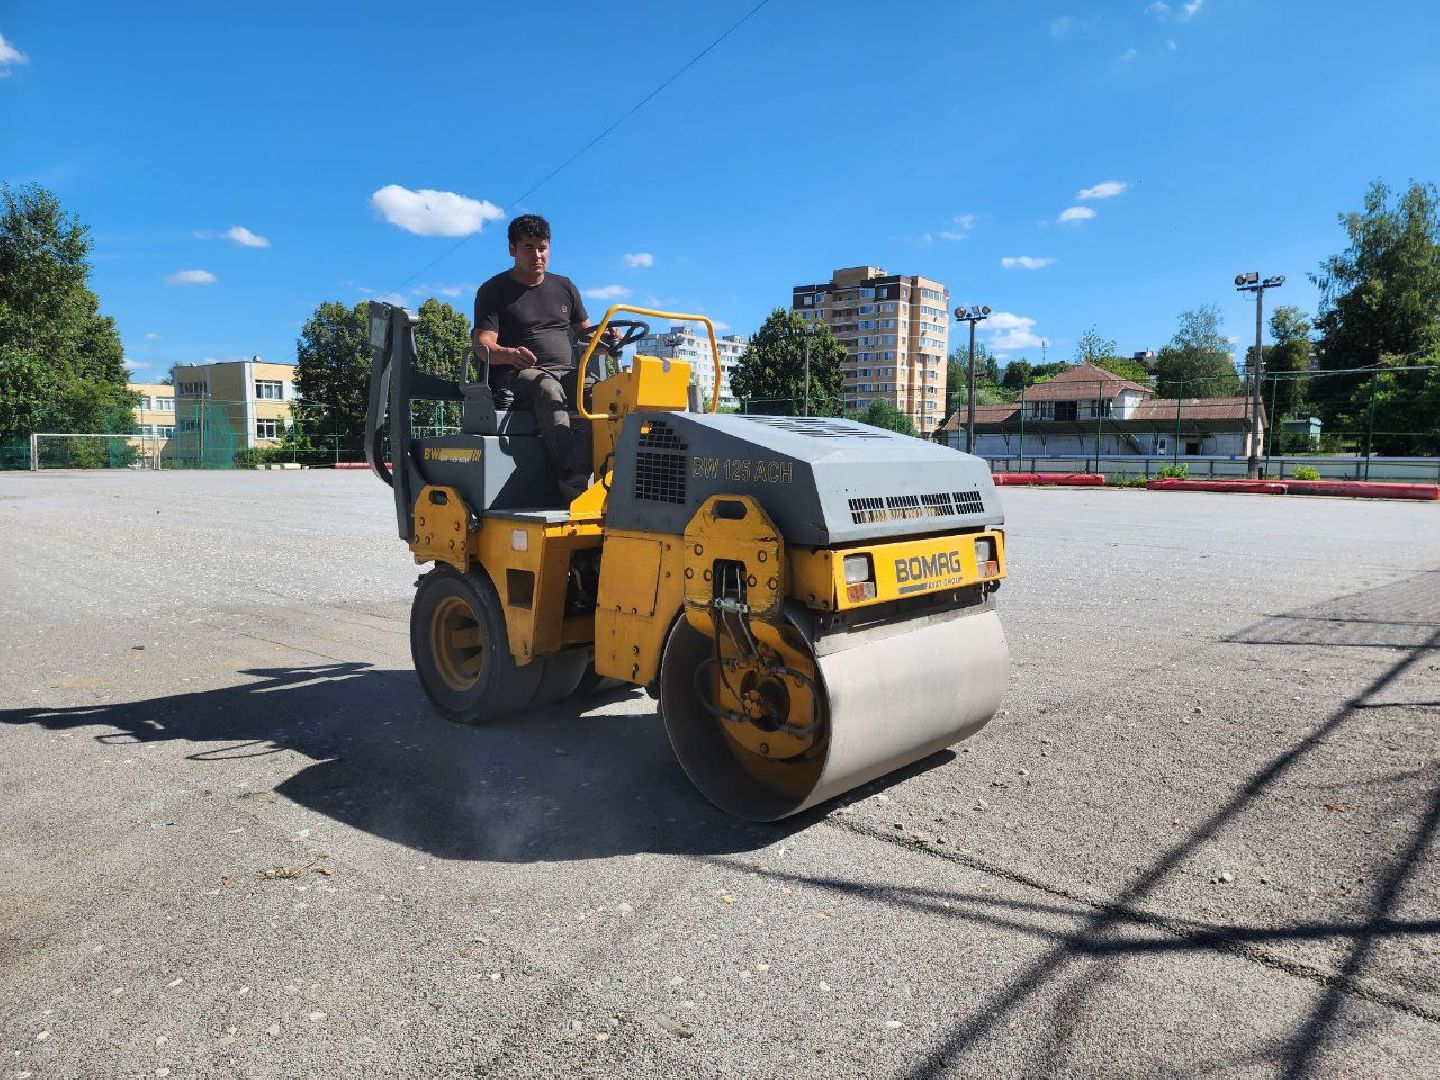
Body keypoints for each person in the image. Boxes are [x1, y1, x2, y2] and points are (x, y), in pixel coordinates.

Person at [472, 214, 606, 500]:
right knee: (548, 388)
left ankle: (593, 475)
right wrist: (509, 354)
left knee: (605, 393)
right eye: (528, 248)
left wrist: (605, 339)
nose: (538, 255)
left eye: (542, 247)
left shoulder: (564, 286)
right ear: (512, 249)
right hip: (515, 375)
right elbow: (483, 345)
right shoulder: (494, 291)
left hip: (566, 371)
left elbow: (586, 333)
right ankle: (569, 477)